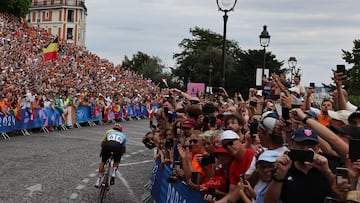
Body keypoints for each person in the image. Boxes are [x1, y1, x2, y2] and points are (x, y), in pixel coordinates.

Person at [95, 123, 127, 188]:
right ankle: (113, 173)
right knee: (116, 161)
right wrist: (120, 155)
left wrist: (102, 151)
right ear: (121, 130)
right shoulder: (123, 135)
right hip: (118, 147)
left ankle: (98, 181)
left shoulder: (108, 131)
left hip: (108, 146)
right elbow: (123, 149)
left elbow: (103, 143)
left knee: (103, 162)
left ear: (113, 128)